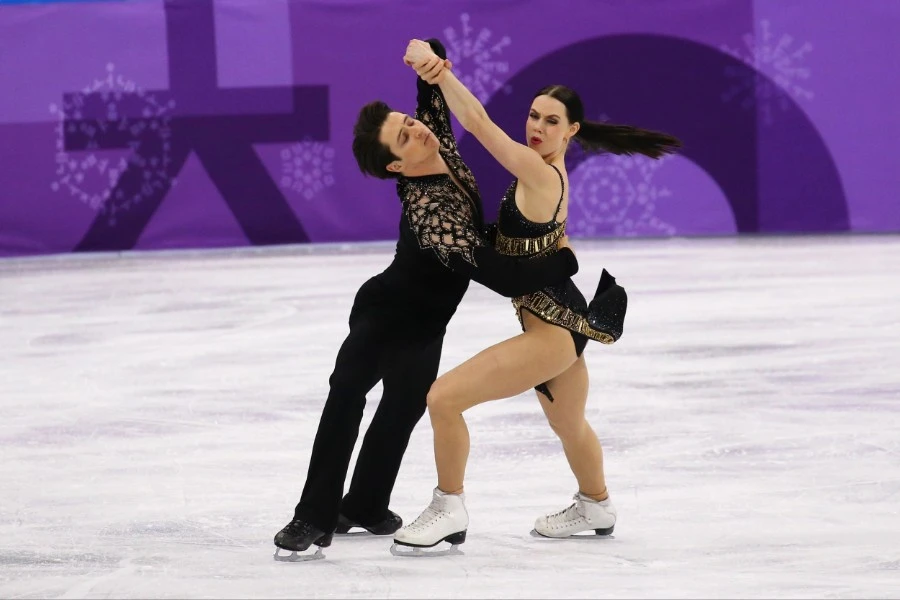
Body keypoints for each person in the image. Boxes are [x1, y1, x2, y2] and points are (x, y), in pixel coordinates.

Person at [272, 39, 585, 561]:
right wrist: (563, 259)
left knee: (401, 411)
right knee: (346, 401)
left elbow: (432, 91)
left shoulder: (431, 140)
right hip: (384, 316)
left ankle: (367, 504)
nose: (416, 129)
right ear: (398, 166)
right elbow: (504, 278)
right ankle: (312, 515)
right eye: (404, 135)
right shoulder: (431, 215)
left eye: (407, 122)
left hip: (426, 323)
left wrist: (427, 55)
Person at [392, 39, 682, 551]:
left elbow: (478, 123)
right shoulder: (550, 174)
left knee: (442, 399)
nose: (537, 127)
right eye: (533, 116)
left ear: (571, 130)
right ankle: (596, 504)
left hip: (551, 333)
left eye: (551, 121)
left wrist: (439, 75)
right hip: (566, 321)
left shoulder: (539, 171)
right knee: (570, 424)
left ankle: (448, 506)